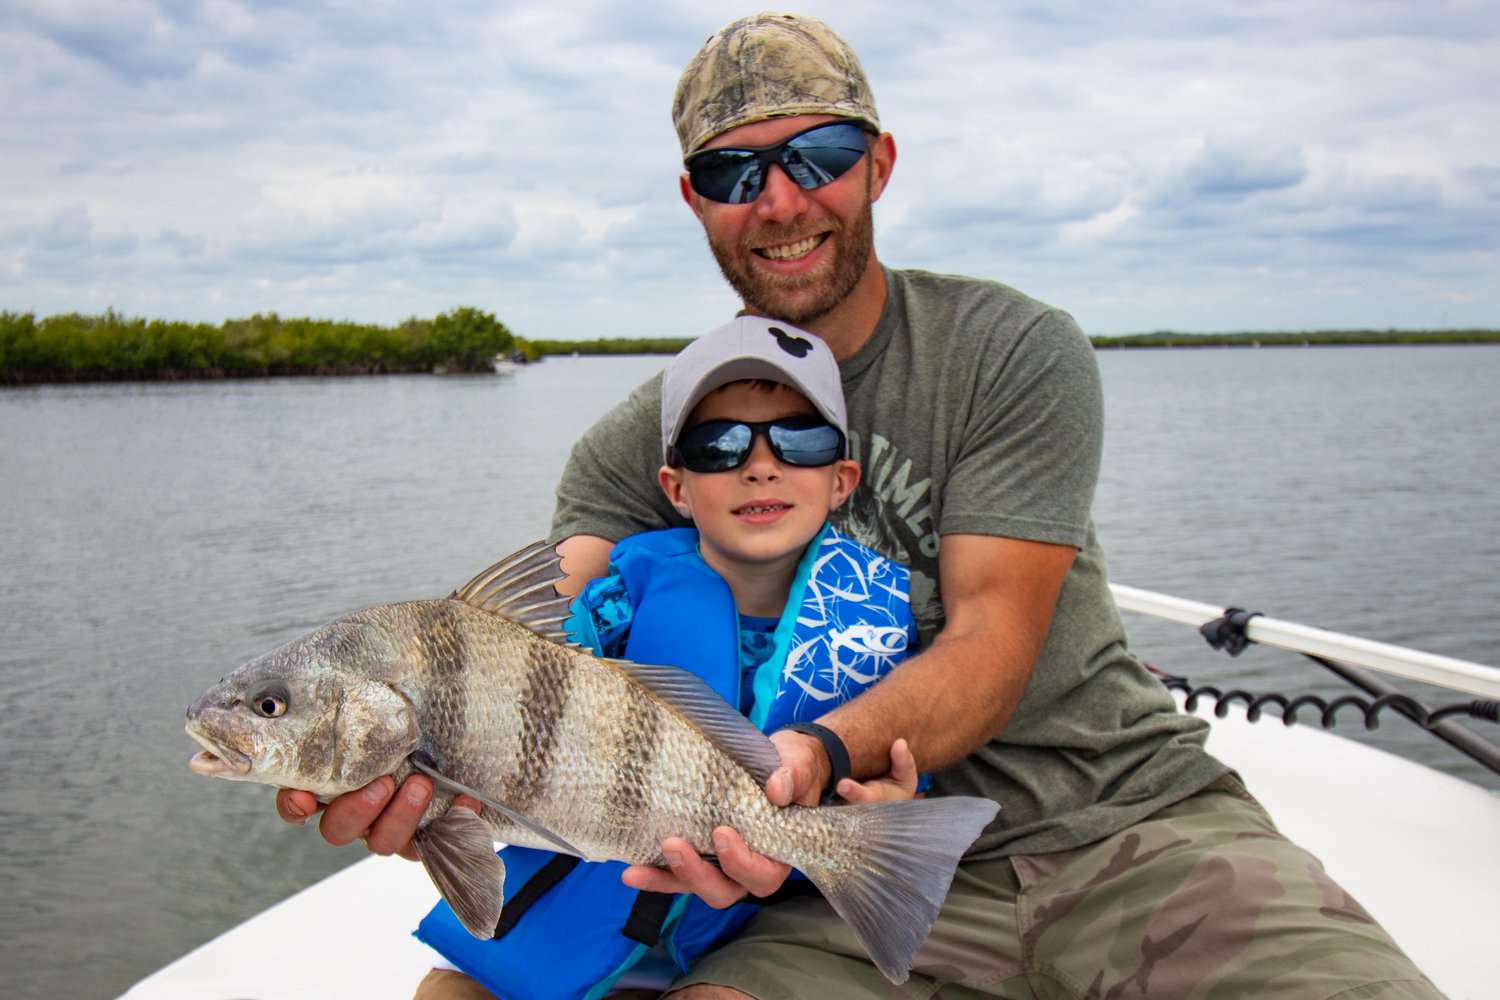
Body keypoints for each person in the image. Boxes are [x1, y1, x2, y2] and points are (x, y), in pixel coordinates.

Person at [282, 12, 1441, 998]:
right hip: (821, 881)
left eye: (817, 155)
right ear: (695, 200)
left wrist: (810, 758)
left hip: (1126, 822)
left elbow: (992, 639)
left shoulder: (1007, 351)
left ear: (879, 164)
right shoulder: (635, 440)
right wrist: (420, 776)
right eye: (736, 174)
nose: (780, 199)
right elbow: (542, 650)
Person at [411, 315, 926, 1000]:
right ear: (676, 487)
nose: (760, 464)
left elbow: (892, 766)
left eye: (801, 440)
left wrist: (886, 802)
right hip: (592, 897)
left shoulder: (873, 621)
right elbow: (526, 676)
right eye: (719, 445)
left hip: (752, 923)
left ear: (842, 480)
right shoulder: (620, 600)